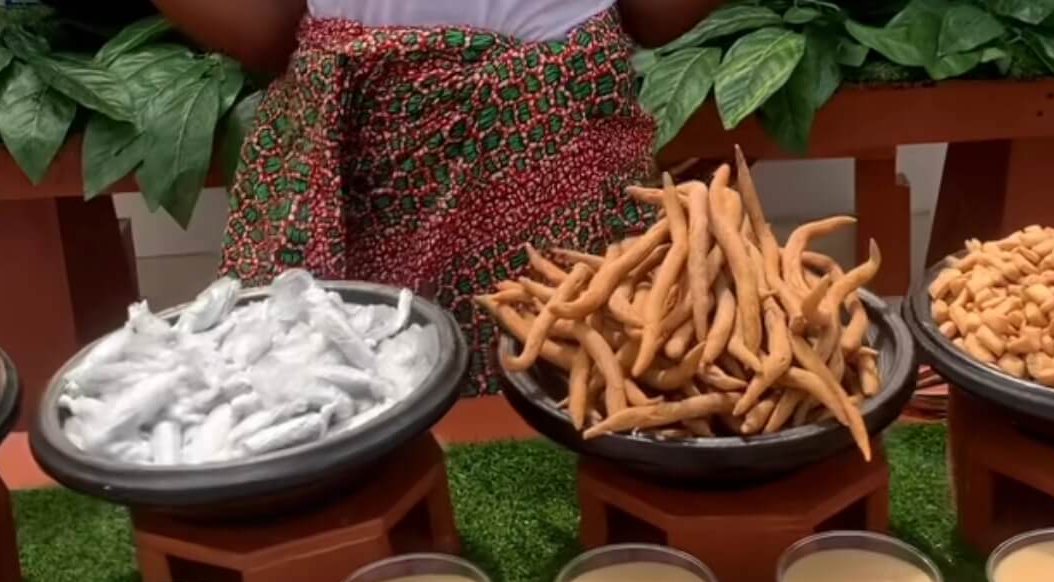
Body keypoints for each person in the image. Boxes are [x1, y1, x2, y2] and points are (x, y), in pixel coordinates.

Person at [154, 1, 727, 394]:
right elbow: (266, 28)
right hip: (367, 136)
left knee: (573, 378)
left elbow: (654, 14)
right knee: (334, 393)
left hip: (550, 130)